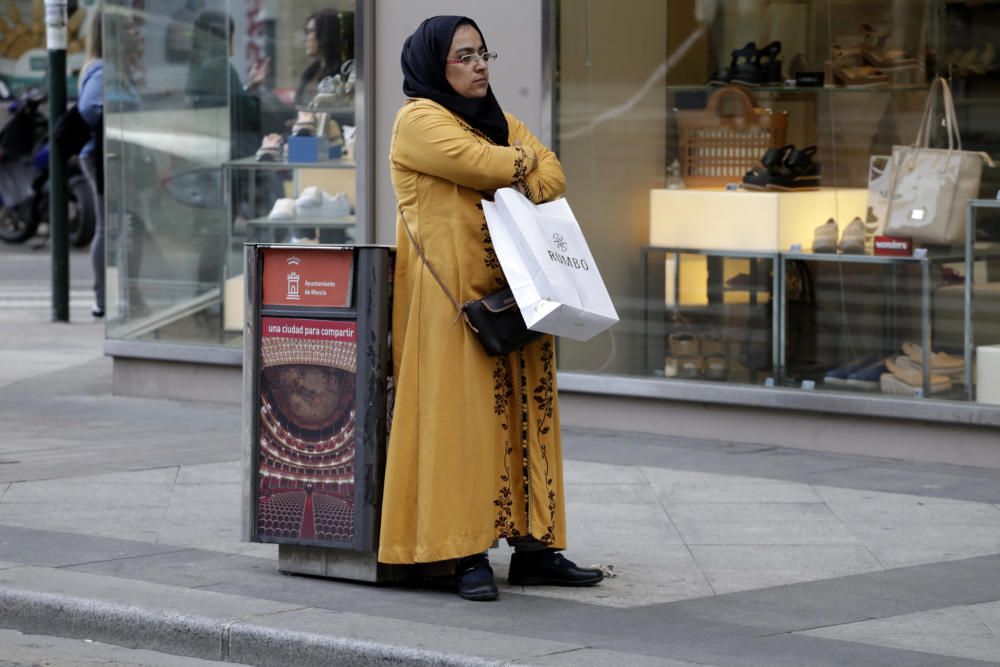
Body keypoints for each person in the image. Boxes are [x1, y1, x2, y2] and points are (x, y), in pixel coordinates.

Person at [378, 15, 603, 602]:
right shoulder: (418, 121)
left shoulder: (500, 121)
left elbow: (554, 173)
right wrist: (521, 161)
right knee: (462, 426)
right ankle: (463, 554)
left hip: (519, 293)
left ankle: (535, 549)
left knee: (530, 415)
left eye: (484, 53)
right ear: (435, 64)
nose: (479, 65)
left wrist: (521, 160)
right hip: (451, 306)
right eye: (464, 56)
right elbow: (488, 165)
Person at [77, 13, 104, 318]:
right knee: (106, 226)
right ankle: (101, 298)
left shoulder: (97, 66)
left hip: (99, 155)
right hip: (100, 155)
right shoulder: (102, 69)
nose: (135, 34)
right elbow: (88, 108)